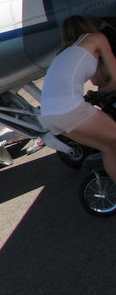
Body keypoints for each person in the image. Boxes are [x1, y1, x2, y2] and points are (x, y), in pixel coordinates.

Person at [41, 15, 116, 181]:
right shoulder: (96, 38)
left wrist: (97, 94)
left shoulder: (62, 54)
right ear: (88, 25)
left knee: (109, 148)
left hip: (49, 115)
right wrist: (102, 92)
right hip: (69, 108)